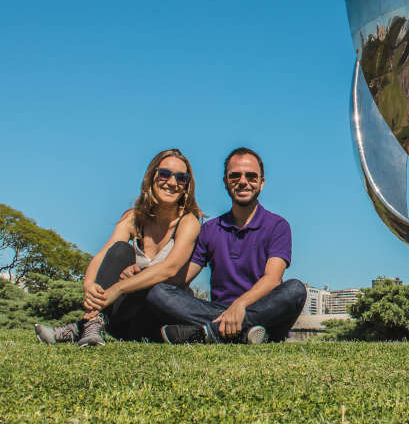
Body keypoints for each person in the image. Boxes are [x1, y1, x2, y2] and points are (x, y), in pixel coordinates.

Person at [34, 149, 203, 346]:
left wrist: (119, 287)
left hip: (159, 317)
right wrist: (89, 284)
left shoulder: (189, 221)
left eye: (181, 178)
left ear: (187, 186)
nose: (172, 183)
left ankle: (80, 328)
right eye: (165, 174)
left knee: (152, 287)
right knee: (121, 250)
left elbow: (170, 269)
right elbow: (104, 254)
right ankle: (93, 324)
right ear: (152, 176)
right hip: (125, 316)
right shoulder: (133, 217)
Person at [147, 147, 306, 344]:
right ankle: (238, 334)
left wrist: (240, 305)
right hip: (221, 312)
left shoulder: (278, 226)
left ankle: (211, 333)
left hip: (263, 312)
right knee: (159, 293)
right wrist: (144, 273)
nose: (243, 182)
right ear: (225, 181)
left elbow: (272, 279)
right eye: (235, 176)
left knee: (295, 290)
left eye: (251, 176)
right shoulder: (210, 229)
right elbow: (182, 276)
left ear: (261, 183)